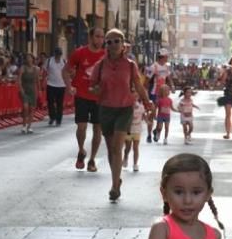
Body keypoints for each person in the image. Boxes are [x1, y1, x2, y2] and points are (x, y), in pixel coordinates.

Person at [88, 28, 152, 202]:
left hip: (125, 109)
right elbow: (92, 86)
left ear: (123, 44)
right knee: (110, 150)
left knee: (117, 147)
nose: (113, 44)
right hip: (106, 109)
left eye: (117, 41)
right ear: (105, 45)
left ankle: (114, 186)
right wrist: (96, 89)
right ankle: (116, 179)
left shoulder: (130, 65)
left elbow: (138, 86)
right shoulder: (100, 66)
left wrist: (147, 102)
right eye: (109, 42)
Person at [64, 28, 106, 171]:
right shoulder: (80, 53)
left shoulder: (106, 55)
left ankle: (92, 159)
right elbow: (65, 70)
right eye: (97, 36)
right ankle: (81, 150)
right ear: (90, 37)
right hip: (82, 95)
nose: (100, 40)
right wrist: (69, 86)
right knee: (81, 127)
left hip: (99, 98)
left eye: (102, 37)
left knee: (97, 129)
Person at [18, 52, 39, 134]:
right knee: (25, 107)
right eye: (27, 58)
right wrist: (21, 89)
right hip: (24, 90)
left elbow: (37, 81)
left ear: (33, 59)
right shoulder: (23, 68)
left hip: (33, 90)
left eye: (30, 58)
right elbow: (19, 79)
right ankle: (24, 125)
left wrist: (39, 91)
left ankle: (29, 126)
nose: (28, 59)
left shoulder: (36, 69)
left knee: (31, 109)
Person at [45, 47, 66, 126]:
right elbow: (45, 71)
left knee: (59, 103)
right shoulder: (49, 61)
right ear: (54, 54)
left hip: (61, 85)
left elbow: (67, 71)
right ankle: (52, 117)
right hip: (51, 84)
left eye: (59, 54)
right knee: (50, 102)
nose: (58, 56)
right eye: (57, 54)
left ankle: (58, 119)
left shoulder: (64, 61)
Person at [123, 98, 145, 172]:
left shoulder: (141, 107)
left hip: (137, 130)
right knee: (128, 147)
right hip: (128, 130)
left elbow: (143, 115)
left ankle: (135, 164)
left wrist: (148, 120)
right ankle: (125, 157)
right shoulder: (127, 107)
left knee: (136, 147)